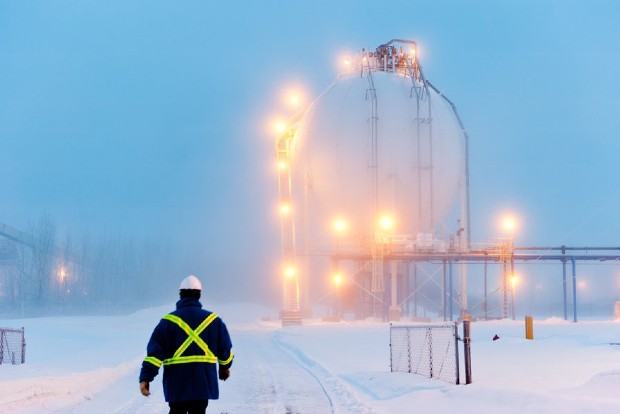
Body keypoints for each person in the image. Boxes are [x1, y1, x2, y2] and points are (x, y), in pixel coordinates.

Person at [139, 275, 234, 414]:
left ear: (180, 295)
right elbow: (225, 351)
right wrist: (224, 368)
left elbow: (154, 354)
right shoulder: (214, 321)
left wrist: (145, 378)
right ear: (199, 295)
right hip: (203, 384)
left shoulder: (167, 322)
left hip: (177, 385)